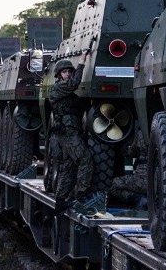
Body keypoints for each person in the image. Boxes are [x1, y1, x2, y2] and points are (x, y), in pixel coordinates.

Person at [49, 52, 104, 214]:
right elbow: (74, 83)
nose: (68, 74)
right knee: (84, 159)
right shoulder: (59, 88)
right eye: (65, 72)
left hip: (70, 132)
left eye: (70, 71)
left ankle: (60, 202)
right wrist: (81, 63)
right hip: (68, 133)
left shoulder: (66, 93)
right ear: (59, 75)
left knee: (69, 167)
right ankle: (82, 195)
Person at [109, 124, 148, 208]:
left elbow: (131, 152)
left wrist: (127, 147)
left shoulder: (142, 133)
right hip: (159, 179)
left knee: (115, 184)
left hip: (141, 180)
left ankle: (139, 199)